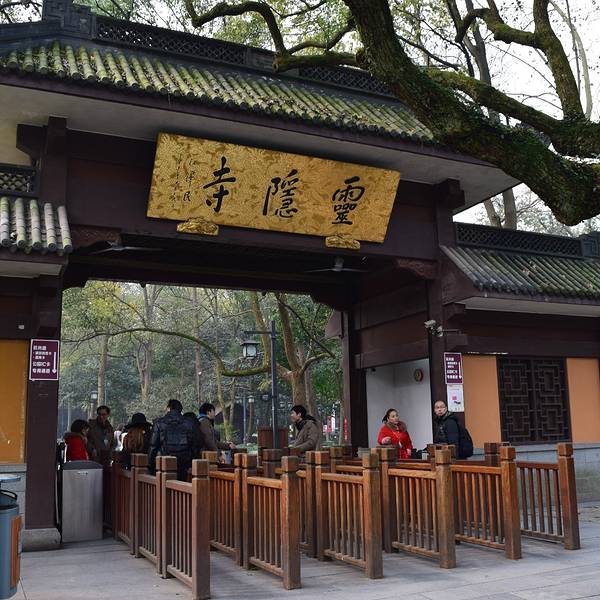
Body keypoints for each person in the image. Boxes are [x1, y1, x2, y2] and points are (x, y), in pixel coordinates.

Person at [148, 399, 197, 480]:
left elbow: (153, 446)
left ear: (169, 408)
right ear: (180, 410)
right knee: (182, 485)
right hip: (183, 463)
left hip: (164, 463)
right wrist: (192, 463)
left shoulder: (159, 423)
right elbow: (194, 445)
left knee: (164, 485)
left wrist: (150, 465)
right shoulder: (189, 423)